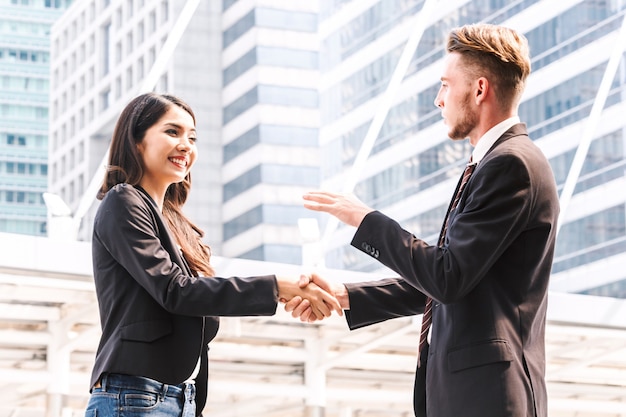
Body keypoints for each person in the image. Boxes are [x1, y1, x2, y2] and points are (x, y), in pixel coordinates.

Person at [287, 23, 559, 417]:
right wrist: (344, 296)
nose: (438, 99)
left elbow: (446, 277)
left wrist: (363, 218)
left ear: (479, 89)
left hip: (489, 398)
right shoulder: (492, 165)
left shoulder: (510, 164)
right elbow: (446, 282)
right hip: (470, 396)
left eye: (446, 85)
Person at [84, 92, 342, 417]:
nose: (186, 145)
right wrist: (277, 286)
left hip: (182, 399)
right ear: (136, 141)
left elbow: (196, 303)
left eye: (192, 137)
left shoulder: (176, 226)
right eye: (172, 132)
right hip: (135, 394)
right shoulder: (123, 201)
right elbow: (174, 291)